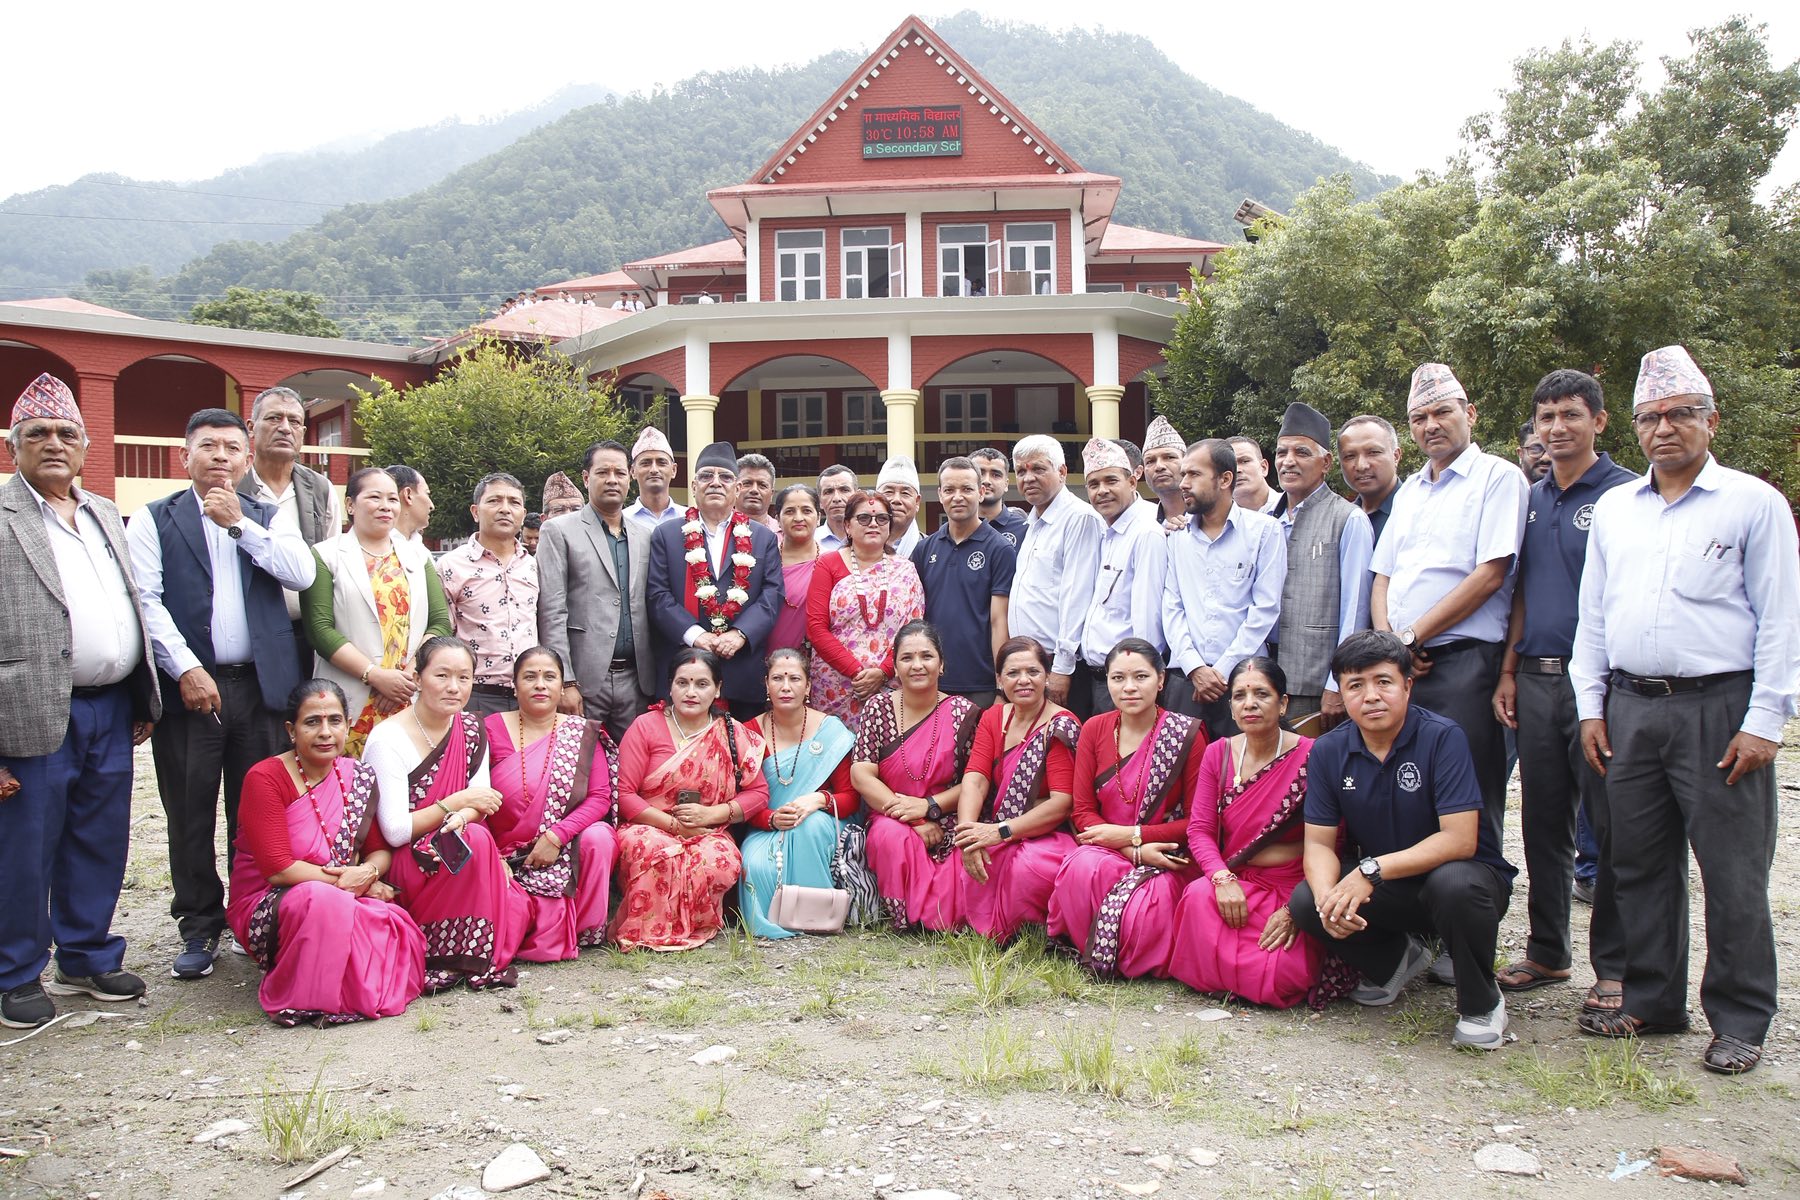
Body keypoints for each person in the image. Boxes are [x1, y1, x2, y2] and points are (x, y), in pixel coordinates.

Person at [1570, 346, 1800, 1075]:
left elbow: (1782, 619)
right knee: (1636, 864)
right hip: (1631, 705)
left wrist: (1766, 718)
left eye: (1680, 415)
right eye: (1651, 417)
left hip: (1720, 709)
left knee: (1732, 874)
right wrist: (1591, 704)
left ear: (1711, 421)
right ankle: (1654, 999)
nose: (1664, 428)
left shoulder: (1752, 504)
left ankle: (1739, 1019)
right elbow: (1594, 617)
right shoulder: (1616, 509)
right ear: (1634, 428)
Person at [128, 408, 317, 981]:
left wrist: (240, 525)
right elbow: (147, 601)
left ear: (246, 458)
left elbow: (302, 574)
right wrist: (185, 668)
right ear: (185, 456)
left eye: (232, 448)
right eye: (208, 447)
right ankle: (198, 923)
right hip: (192, 689)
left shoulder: (264, 516)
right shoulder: (154, 519)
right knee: (188, 809)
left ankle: (251, 914)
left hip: (261, 690)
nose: (221, 457)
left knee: (255, 810)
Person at [0, 375, 161, 1029]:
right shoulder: (4, 518)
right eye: (37, 434)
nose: (53, 443)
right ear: (14, 447)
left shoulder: (100, 513)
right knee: (24, 846)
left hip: (109, 707)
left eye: (67, 432)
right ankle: (14, 973)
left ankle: (85, 954)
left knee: (99, 838)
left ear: (87, 444)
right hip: (30, 713)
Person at [1288, 631, 1516, 1050]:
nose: (1371, 696)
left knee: (1455, 885)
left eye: (1383, 682)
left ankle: (1482, 1004)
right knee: (1306, 902)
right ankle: (1395, 961)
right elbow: (1319, 844)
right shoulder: (1328, 751)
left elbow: (1460, 841)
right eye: (1355, 685)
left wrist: (1370, 871)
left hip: (1463, 882)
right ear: (1341, 693)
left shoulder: (1442, 737)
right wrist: (1327, 900)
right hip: (1392, 889)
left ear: (1408, 685)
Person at [1487, 370, 1636, 1010]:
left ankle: (1616, 967)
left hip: (1599, 683)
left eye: (1570, 414)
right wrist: (1510, 671)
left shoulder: (1627, 495)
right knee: (1544, 820)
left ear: (1599, 421)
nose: (1556, 428)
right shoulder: (1531, 497)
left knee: (1611, 824)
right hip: (1538, 679)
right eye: (1545, 416)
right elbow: (1519, 589)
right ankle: (1549, 951)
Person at [1370, 363, 1528, 853]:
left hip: (1464, 662)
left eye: (1442, 412)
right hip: (1404, 664)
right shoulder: (1412, 489)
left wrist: (1411, 636)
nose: (1431, 425)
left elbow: (1490, 575)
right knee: (1405, 785)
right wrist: (1390, 646)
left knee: (1469, 791)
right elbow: (1384, 576)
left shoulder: (1498, 478)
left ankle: (1473, 911)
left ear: (1470, 414)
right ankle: (1416, 919)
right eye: (1419, 417)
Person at [226, 680, 424, 1025]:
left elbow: (379, 852)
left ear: (349, 725)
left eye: (334, 721)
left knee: (392, 921)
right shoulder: (265, 778)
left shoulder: (357, 776)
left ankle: (355, 991)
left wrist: (369, 873)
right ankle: (314, 995)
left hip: (340, 888)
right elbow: (278, 870)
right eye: (312, 722)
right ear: (291, 729)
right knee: (324, 902)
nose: (325, 732)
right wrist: (347, 883)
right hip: (272, 899)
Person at [361, 636, 528, 991]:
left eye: (464, 678)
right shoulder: (387, 739)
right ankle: (446, 949)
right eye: (442, 676)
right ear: (418, 678)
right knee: (479, 843)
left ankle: (465, 950)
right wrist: (456, 804)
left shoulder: (469, 729)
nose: (454, 687)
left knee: (484, 847)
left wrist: (463, 816)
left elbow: (481, 804)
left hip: (455, 841)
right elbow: (394, 831)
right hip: (405, 861)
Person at [1168, 657, 1318, 1007]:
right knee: (1196, 895)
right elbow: (1200, 831)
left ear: (1283, 703)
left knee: (1281, 976)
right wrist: (1221, 878)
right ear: (1231, 706)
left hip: (1290, 883)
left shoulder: (1313, 756)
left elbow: (1330, 842)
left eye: (1261, 694)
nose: (1249, 703)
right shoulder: (1218, 753)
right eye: (1239, 696)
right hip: (1233, 878)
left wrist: (1299, 907)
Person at [1047, 640, 1202, 977]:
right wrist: (1131, 848)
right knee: (1080, 869)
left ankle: (1124, 959)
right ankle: (1092, 944)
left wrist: (1136, 837)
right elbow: (1083, 811)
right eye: (1118, 678)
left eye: (1140, 677)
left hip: (1164, 855)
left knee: (1147, 911)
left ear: (1161, 680)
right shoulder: (1095, 728)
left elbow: (1195, 822)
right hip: (1106, 848)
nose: (1129, 687)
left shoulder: (1185, 734)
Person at [611, 648, 768, 950]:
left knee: (719, 860)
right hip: (650, 825)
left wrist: (712, 815)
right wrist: (673, 825)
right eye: (682, 683)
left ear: (718, 688)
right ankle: (648, 930)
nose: (691, 692)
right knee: (652, 848)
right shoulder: (645, 727)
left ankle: (694, 926)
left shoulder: (732, 733)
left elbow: (759, 793)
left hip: (708, 830)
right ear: (669, 686)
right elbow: (624, 794)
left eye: (701, 684)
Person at [301, 467, 449, 755]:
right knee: (348, 784)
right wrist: (375, 676)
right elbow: (320, 630)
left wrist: (407, 676)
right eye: (374, 497)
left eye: (392, 499)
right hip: (351, 693)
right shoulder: (325, 555)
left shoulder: (418, 556)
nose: (385, 506)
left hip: (407, 694)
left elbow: (440, 622)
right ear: (351, 504)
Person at [485, 647, 618, 962]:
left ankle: (586, 929)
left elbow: (600, 797)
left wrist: (556, 836)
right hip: (504, 849)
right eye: (530, 677)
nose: (540, 685)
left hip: (563, 844)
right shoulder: (489, 728)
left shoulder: (581, 733)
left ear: (562, 687)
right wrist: (490, 852)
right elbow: (473, 795)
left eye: (549, 677)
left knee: (599, 837)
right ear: (514, 686)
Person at [852, 622, 982, 931]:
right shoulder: (878, 707)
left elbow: (976, 780)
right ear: (895, 666)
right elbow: (861, 774)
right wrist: (913, 818)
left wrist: (929, 807)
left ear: (942, 664)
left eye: (927, 656)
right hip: (891, 815)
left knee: (966, 848)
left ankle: (940, 918)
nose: (917, 665)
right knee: (890, 838)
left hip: (948, 814)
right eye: (907, 658)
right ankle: (907, 919)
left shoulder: (965, 713)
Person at [953, 637, 1081, 942]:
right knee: (965, 861)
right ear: (999, 679)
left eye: (1033, 672)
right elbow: (976, 778)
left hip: (1048, 832)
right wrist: (969, 833)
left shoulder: (1061, 725)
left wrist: (1000, 832)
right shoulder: (994, 717)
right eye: (1012, 673)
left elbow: (1062, 802)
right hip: (1000, 826)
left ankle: (1034, 933)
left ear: (1047, 676)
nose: (1023, 681)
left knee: (1026, 867)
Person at [647, 441, 785, 720]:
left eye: (725, 477)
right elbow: (657, 595)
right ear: (694, 486)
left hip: (742, 668)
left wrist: (740, 634)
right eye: (706, 476)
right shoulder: (667, 534)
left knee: (742, 755)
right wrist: (697, 636)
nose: (715, 483)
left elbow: (773, 593)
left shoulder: (762, 538)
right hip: (684, 668)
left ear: (737, 489)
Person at [739, 650, 867, 938]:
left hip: (822, 820)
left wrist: (819, 800)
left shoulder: (829, 730)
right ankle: (774, 923)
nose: (786, 686)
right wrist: (771, 819)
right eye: (778, 678)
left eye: (795, 678)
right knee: (756, 864)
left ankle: (818, 916)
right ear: (767, 685)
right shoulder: (748, 733)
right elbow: (743, 801)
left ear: (808, 686)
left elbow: (851, 798)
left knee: (808, 829)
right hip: (767, 826)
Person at [1163, 438, 1286, 738]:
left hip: (1245, 678)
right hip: (1186, 680)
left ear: (1225, 479)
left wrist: (1222, 669)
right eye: (1183, 475)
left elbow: (1265, 609)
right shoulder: (1177, 537)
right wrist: (1195, 668)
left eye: (1193, 474)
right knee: (1182, 776)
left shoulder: (1264, 531)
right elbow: (1171, 606)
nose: (1184, 484)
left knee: (1241, 774)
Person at [537, 440, 655, 744]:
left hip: (638, 680)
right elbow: (552, 609)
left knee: (633, 770)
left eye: (619, 472)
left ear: (630, 477)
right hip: (586, 680)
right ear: (586, 478)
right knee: (578, 770)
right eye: (603, 472)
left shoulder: (646, 536)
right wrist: (564, 681)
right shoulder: (559, 531)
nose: (612, 479)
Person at [1270, 403, 1372, 727]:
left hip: (1317, 689)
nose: (1288, 461)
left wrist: (1338, 682)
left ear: (1326, 462)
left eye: (1301, 452)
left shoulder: (1348, 519)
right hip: (1265, 683)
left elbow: (1356, 608)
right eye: (1281, 452)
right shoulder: (1264, 521)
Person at [244, 386, 345, 679]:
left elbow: (330, 563)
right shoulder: (234, 488)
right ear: (251, 427)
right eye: (274, 418)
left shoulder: (320, 490)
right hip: (249, 633)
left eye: (294, 421)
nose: (285, 428)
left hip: (306, 631)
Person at [807, 491, 926, 728]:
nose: (873, 524)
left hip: (892, 681)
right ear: (848, 526)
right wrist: (857, 673)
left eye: (882, 519)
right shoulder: (828, 564)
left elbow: (914, 631)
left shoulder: (905, 569)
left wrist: (882, 673)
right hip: (836, 684)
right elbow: (815, 628)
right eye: (864, 518)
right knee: (838, 756)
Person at [1010, 435, 1104, 715]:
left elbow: (1078, 596)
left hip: (1061, 666)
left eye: (1038, 469)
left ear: (1062, 472)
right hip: (1032, 663)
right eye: (1021, 471)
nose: (1028, 478)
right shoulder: (1034, 522)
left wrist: (1062, 669)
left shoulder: (1078, 519)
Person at [911, 457, 1015, 709]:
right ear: (940, 494)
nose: (958, 496)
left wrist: (1001, 682)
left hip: (980, 683)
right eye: (949, 490)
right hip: (932, 679)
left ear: (980, 493)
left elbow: (999, 619)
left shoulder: (1000, 549)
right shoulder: (925, 549)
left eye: (967, 489)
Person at [438, 473, 539, 718]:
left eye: (514, 503)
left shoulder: (535, 565)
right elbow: (441, 633)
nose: (505, 509)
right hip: (474, 696)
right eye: (494, 501)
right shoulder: (451, 566)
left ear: (523, 515)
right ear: (475, 511)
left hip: (529, 697)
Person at [1078, 439, 1166, 715]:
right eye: (1094, 484)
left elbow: (1148, 621)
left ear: (1132, 481)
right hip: (1099, 679)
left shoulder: (1146, 532)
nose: (1102, 491)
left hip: (1128, 685)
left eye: (1110, 481)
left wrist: (1138, 681)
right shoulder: (1105, 531)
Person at [769, 483, 822, 658]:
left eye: (807, 511)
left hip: (818, 661)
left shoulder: (832, 562)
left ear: (819, 517)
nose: (798, 518)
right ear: (777, 519)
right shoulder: (765, 561)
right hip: (767, 658)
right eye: (790, 511)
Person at [1335, 416, 1402, 548]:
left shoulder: (1416, 512)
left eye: (1373, 453)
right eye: (1350, 456)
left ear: (1396, 456)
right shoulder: (1342, 519)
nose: (1361, 466)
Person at [970, 446, 1028, 548]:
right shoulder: (954, 530)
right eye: (980, 473)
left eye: (996, 475)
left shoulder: (1025, 529)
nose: (986, 481)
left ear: (1006, 484)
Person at [626, 427, 683, 528]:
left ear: (673, 470)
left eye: (661, 463)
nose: (654, 469)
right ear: (633, 471)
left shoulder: (690, 519)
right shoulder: (623, 520)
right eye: (645, 463)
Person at [1142, 415, 1189, 531]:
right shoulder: (1141, 525)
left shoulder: (1210, 518)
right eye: (1150, 461)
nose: (1159, 466)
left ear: (1187, 463)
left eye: (1169, 457)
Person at [877, 456, 925, 557]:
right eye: (889, 492)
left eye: (905, 493)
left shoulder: (930, 550)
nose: (896, 500)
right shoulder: (858, 547)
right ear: (876, 497)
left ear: (917, 502)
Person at [1228, 436, 1279, 514]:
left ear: (1263, 467)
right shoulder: (1213, 522)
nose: (1237, 470)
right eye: (1229, 465)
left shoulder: (1295, 510)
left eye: (1244, 461)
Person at [385, 465, 434, 547]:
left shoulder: (419, 547)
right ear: (408, 495)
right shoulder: (378, 549)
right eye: (427, 493)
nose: (432, 506)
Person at [816, 465, 858, 552]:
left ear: (858, 496)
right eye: (828, 492)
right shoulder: (810, 541)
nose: (836, 498)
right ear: (819, 501)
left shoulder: (870, 537)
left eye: (844, 490)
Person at [735, 453, 781, 531]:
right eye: (747, 483)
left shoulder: (785, 533)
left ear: (771, 494)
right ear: (735, 489)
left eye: (762, 485)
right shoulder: (717, 530)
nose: (754, 490)